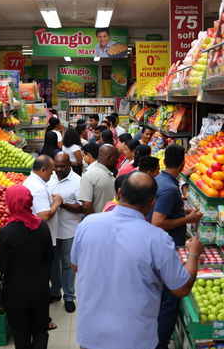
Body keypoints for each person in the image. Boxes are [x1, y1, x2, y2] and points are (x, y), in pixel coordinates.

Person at [71, 171, 204, 349]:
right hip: (133, 338)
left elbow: (75, 265)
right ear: (152, 203)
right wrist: (194, 254)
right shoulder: (156, 239)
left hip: (91, 333)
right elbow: (181, 288)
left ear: (119, 194)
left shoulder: (87, 224)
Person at [151, 145, 203, 349]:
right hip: (168, 249)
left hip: (162, 247)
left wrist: (182, 211)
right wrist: (188, 219)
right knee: (169, 302)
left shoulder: (161, 180)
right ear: (182, 164)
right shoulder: (169, 189)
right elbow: (157, 222)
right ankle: (160, 343)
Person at [0, 185, 54, 349]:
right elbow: (50, 257)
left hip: (15, 294)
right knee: (40, 331)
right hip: (40, 289)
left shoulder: (6, 232)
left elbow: (3, 266)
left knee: (21, 336)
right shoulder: (42, 226)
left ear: (10, 203)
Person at [47, 153, 83, 313]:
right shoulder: (50, 178)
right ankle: (55, 292)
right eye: (56, 166)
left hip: (69, 230)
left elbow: (82, 207)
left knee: (68, 264)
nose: (59, 169)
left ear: (70, 164)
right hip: (51, 230)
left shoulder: (78, 181)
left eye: (62, 166)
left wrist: (61, 204)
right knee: (53, 263)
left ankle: (69, 296)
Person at [23, 155, 63, 247]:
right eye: (51, 170)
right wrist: (57, 203)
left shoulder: (30, 181)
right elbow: (44, 215)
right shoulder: (38, 188)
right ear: (43, 170)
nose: (53, 174)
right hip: (41, 237)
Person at [79, 144, 118, 215]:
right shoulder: (89, 175)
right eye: (116, 158)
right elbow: (86, 206)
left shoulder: (107, 173)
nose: (117, 161)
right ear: (109, 157)